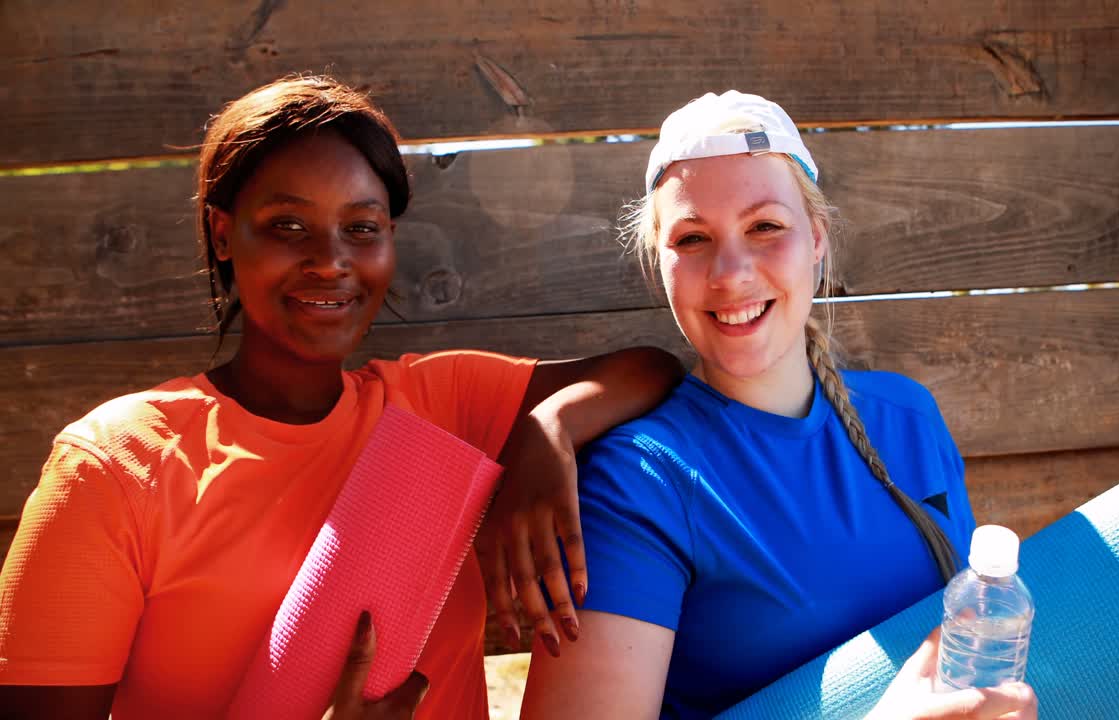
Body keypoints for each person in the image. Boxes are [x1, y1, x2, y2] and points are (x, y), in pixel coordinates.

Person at [0, 75, 683, 720]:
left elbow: (648, 369)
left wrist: (548, 429)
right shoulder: (118, 468)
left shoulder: (438, 408)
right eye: (288, 226)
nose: (331, 260)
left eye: (362, 227)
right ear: (221, 233)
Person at [519, 91, 1038, 719]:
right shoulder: (639, 482)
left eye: (765, 226)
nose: (730, 272)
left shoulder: (910, 419)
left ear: (816, 240)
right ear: (661, 268)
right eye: (693, 238)